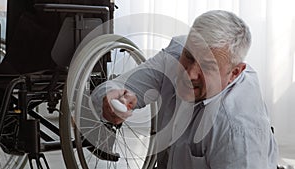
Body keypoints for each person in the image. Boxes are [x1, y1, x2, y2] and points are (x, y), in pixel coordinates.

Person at [91, 10, 278, 168]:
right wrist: (110, 97)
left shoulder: (238, 132)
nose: (189, 74)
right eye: (188, 56)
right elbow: (109, 89)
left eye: (207, 66)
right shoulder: (175, 53)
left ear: (234, 74)